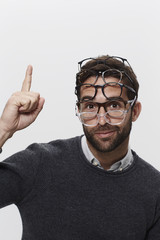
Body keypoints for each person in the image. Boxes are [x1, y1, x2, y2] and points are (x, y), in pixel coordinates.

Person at [0, 56, 160, 240]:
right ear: (79, 110)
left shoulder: (154, 190)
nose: (102, 120)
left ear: (135, 111)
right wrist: (4, 129)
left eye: (114, 105)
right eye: (90, 106)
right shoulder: (39, 163)